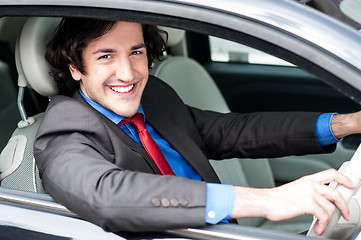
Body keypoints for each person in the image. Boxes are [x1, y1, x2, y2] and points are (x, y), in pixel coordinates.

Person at [34, 18, 360, 235]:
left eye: (136, 52)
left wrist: (346, 123)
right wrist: (266, 200)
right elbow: (105, 194)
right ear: (75, 67)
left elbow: (233, 131)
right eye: (106, 56)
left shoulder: (155, 97)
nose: (128, 73)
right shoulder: (65, 126)